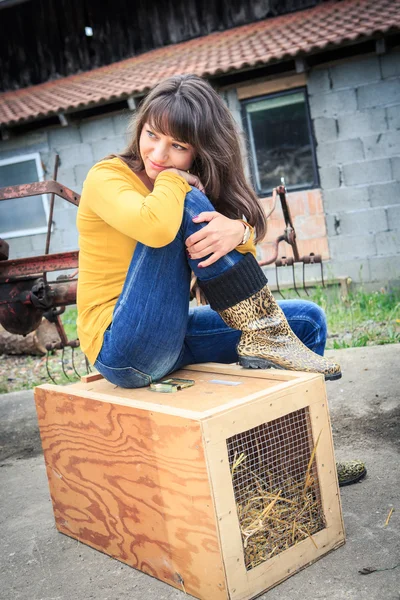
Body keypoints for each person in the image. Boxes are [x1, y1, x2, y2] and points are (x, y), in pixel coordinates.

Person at [77, 73, 366, 486]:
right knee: (184, 203)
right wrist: (176, 180)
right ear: (140, 126)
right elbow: (156, 227)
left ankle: (296, 463)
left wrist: (239, 231)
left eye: (178, 146)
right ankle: (263, 332)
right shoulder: (107, 177)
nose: (159, 153)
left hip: (171, 336)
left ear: (200, 151)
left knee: (307, 321)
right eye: (153, 134)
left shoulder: (184, 188)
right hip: (121, 349)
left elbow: (243, 241)